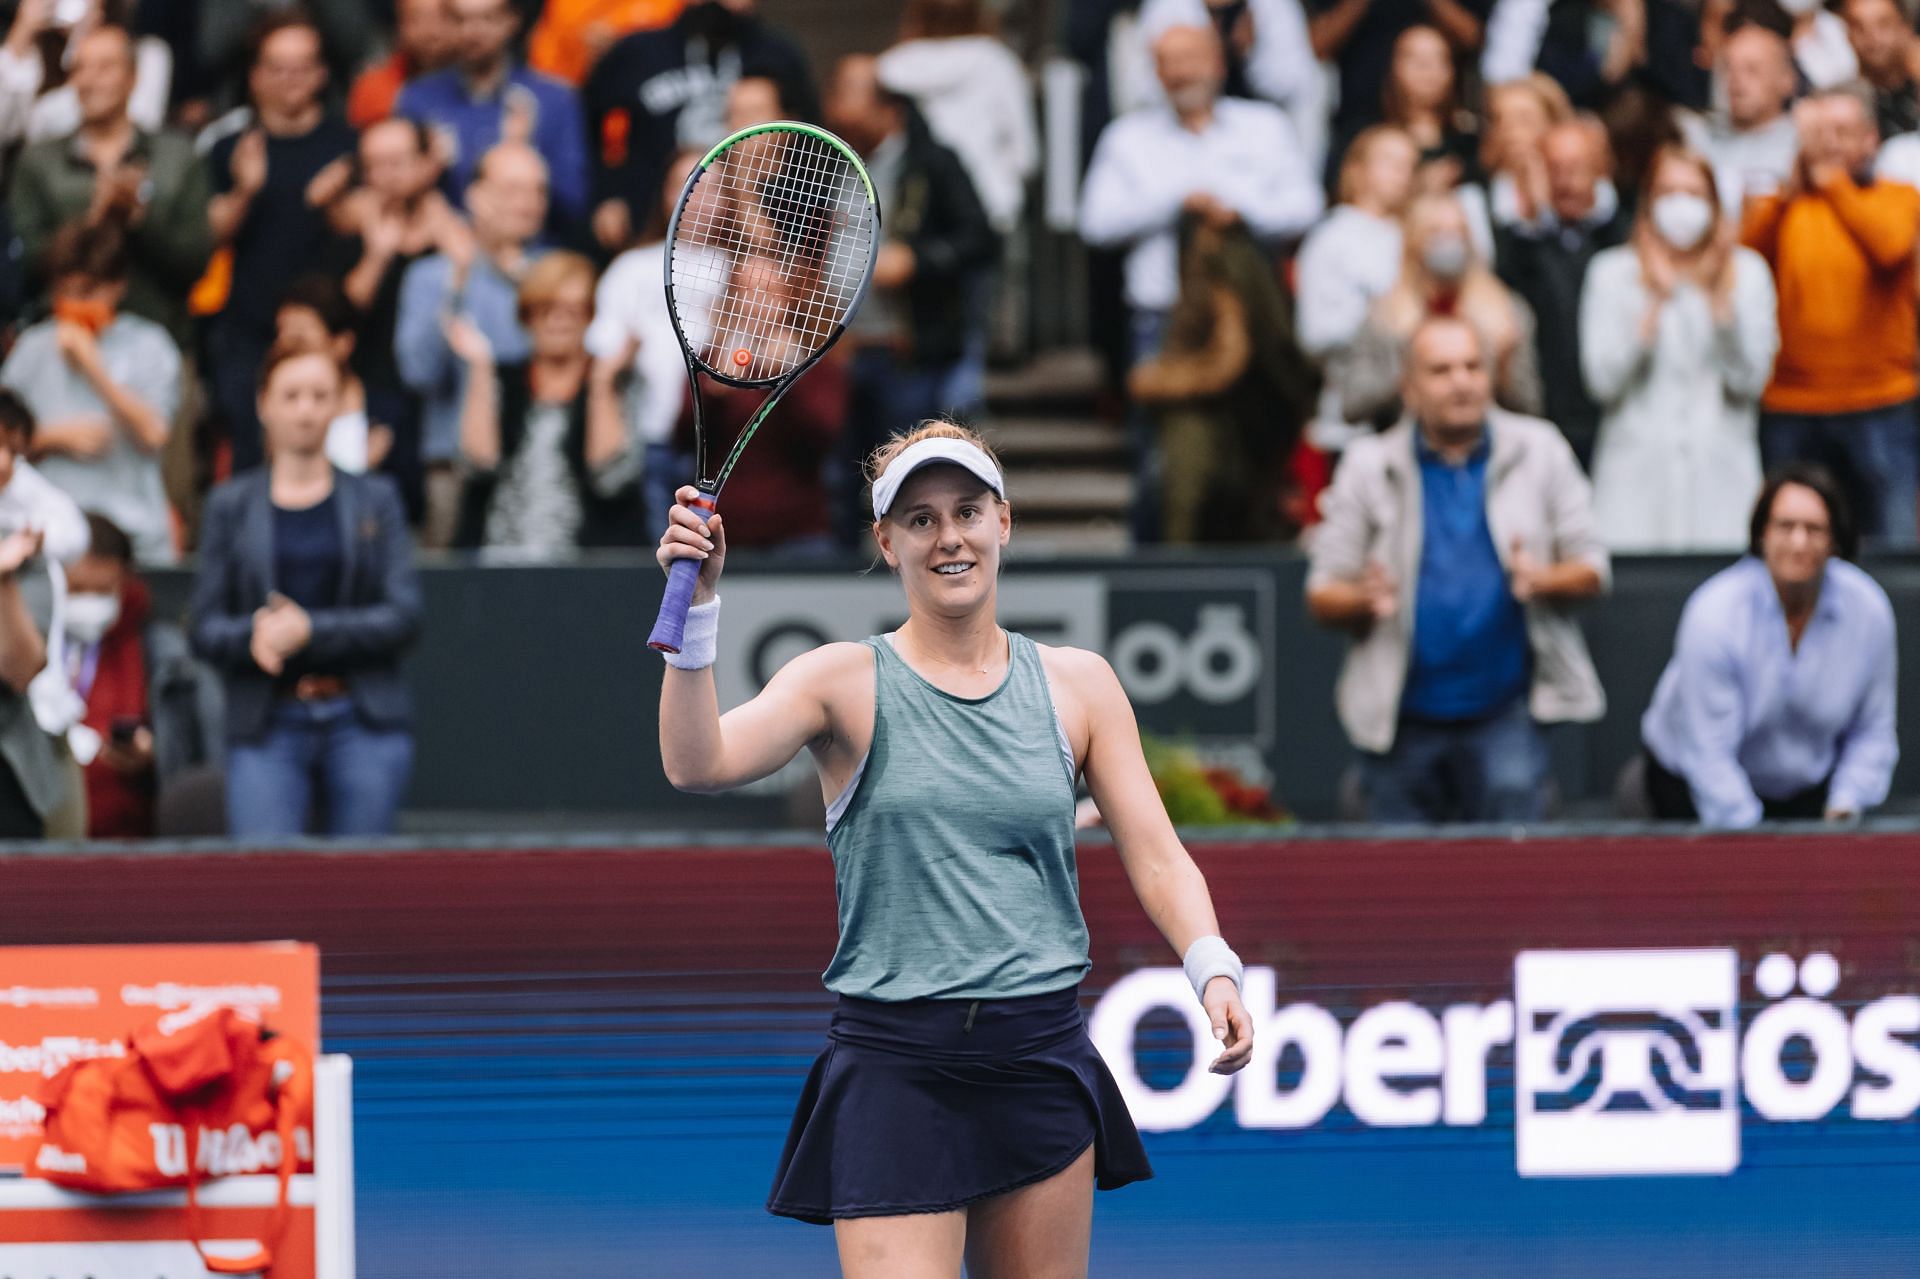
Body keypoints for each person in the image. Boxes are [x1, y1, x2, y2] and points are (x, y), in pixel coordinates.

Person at [654, 418, 1253, 1274]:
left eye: (967, 511)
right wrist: (700, 607)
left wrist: (1213, 967)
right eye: (922, 519)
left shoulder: (1080, 684)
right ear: (886, 541)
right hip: (896, 1070)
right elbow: (697, 761)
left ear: (1003, 521)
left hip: (1039, 1056)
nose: (950, 538)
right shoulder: (839, 681)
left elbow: (1156, 854)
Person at [1308, 314, 1608, 824]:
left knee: (1510, 880)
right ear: (1409, 387)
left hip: (1506, 712)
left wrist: (1542, 580)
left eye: (1473, 366)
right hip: (1399, 717)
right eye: (1442, 370)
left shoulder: (1540, 449)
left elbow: (1593, 568)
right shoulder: (1367, 463)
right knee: (1399, 887)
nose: (1462, 381)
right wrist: (1363, 600)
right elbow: (1322, 592)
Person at [189, 340, 422, 839]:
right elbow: (204, 626)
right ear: (263, 403)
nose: (306, 410)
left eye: (320, 395)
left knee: (365, 892)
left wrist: (309, 630)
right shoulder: (229, 506)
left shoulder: (376, 499)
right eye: (291, 395)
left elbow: (404, 615)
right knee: (267, 885)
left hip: (362, 718)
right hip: (266, 719)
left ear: (339, 404)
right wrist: (255, 633)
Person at [1641, 464, 1896, 827]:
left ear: (1835, 540)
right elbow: (1709, 756)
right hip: (1689, 790)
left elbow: (1873, 730)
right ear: (1761, 534)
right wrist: (1759, 850)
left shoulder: (1869, 610)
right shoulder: (1714, 613)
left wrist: (1846, 805)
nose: (1798, 543)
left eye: (1814, 529)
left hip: (1806, 798)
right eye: (1785, 526)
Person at [825, 53, 1000, 543]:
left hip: (908, 354)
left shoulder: (933, 162)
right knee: (840, 482)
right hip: (839, 351)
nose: (834, 104)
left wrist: (917, 260)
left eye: (847, 91)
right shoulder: (831, 162)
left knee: (907, 481)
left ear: (888, 105)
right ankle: (845, 583)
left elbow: (981, 241)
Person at [1743, 83, 1919, 547]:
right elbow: (1744, 262)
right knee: (1789, 545)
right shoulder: (1785, 205)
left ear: (1871, 139)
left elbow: (1890, 246)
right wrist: (1789, 189)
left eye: (1843, 132)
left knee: (1893, 543)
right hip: (1792, 405)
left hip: (1881, 401)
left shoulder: (1898, 198)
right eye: (1820, 134)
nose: (1831, 145)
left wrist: (1833, 182)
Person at [1582, 145, 1776, 549]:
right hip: (1635, 483)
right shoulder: (1611, 272)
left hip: (1721, 479)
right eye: (1668, 193)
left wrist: (1721, 306)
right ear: (1649, 204)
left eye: (1693, 193)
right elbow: (1603, 382)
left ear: (1713, 204)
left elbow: (1751, 381)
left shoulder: (1748, 272)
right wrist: (1654, 302)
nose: (1681, 206)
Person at [204, 10, 358, 473]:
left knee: (333, 453)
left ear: (321, 74)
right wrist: (245, 190)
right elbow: (206, 238)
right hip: (249, 330)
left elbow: (367, 232)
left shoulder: (348, 146)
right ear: (255, 76)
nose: (290, 78)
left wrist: (336, 206)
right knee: (250, 454)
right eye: (277, 67)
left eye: (302, 66)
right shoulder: (228, 147)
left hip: (330, 331)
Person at [8, 23, 211, 347]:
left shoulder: (176, 157)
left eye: (104, 67)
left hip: (158, 340)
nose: (88, 80)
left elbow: (196, 262)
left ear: (132, 77)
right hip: (59, 338)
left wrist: (140, 219)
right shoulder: (39, 160)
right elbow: (22, 262)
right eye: (78, 68)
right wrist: (92, 220)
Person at [394, 141, 550, 547]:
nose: (530, 202)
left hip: (535, 464)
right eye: (515, 189)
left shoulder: (552, 274)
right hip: (454, 470)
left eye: (538, 190)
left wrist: (520, 280)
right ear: (476, 196)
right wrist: (460, 281)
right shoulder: (433, 276)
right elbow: (419, 372)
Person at [0, 220, 178, 566]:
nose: (71, 304)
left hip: (135, 539)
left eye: (85, 292)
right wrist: (50, 438)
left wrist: (95, 369)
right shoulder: (32, 348)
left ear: (117, 287)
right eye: (63, 293)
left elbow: (156, 434)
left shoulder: (151, 345)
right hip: (49, 538)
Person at [446, 251, 644, 556]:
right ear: (526, 316)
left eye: (573, 309)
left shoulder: (616, 379)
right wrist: (480, 369)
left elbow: (610, 478)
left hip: (591, 567)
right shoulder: (501, 378)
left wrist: (601, 384)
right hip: (500, 560)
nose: (558, 320)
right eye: (545, 309)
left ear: (590, 315)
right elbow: (477, 465)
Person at [584, 0, 815, 253]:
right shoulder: (637, 51)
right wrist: (607, 193)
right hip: (650, 225)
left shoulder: (778, 54)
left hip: (755, 229)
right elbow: (587, 123)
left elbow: (812, 146)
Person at [339, 116, 465, 519]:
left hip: (437, 399)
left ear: (426, 164)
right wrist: (377, 256)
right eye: (374, 164)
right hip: (373, 392)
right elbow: (339, 316)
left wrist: (449, 243)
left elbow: (473, 281)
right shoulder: (350, 224)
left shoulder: (447, 224)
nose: (385, 175)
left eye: (396, 162)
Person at [1495, 116, 1633, 465]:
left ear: (1601, 171)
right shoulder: (1519, 242)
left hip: (1613, 419)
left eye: (1578, 168)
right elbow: (1506, 286)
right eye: (1554, 169)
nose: (1566, 181)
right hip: (1542, 414)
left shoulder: (1626, 236)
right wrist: (1532, 216)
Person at [1339, 190, 1542, 425]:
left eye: (1458, 231)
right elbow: (1352, 406)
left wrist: (1504, 368)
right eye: (1436, 232)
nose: (1449, 241)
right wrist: (1409, 367)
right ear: (1414, 241)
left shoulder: (1507, 311)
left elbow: (1531, 407)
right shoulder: (1383, 316)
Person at [394, 0, 590, 238]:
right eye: (460, 20)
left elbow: (575, 202)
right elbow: (395, 199)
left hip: (536, 251)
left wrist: (523, 152)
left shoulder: (554, 99)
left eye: (486, 19)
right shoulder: (418, 99)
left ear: (511, 21)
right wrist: (429, 171)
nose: (472, 31)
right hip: (443, 249)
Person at [587, 148, 699, 538]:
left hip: (721, 449)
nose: (699, 197)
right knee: (662, 565)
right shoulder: (631, 268)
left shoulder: (745, 269)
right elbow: (604, 354)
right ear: (666, 194)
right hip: (649, 442)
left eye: (716, 187)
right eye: (687, 185)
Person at [1295, 124, 1420, 451]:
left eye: (1409, 164)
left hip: (1416, 418)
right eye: (1390, 162)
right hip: (1355, 419)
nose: (1402, 173)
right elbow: (1316, 333)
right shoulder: (1332, 237)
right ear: (1357, 169)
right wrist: (1386, 320)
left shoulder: (1416, 232)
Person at [876, 0, 1039, 240]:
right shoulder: (997, 63)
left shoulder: (890, 68)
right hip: (989, 210)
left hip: (907, 216)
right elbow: (1026, 156)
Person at [276, 275, 393, 477]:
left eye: (299, 337)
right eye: (280, 333)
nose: (286, 346)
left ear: (342, 343)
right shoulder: (264, 404)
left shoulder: (387, 415)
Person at [1679, 22, 1801, 210]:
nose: (1736, 80)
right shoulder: (1695, 140)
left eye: (1752, 70)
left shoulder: (1802, 147)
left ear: (1786, 80)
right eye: (1728, 68)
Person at [1381, 23, 1480, 190]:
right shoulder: (1372, 138)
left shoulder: (1472, 141)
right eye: (1415, 59)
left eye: (1439, 59)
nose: (1427, 68)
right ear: (1393, 68)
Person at [348, 0, 457, 128]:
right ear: (400, 26)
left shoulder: (479, 85)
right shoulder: (373, 88)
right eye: (417, 19)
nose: (430, 32)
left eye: (442, 18)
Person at [1842, 0, 1918, 142]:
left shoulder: (1915, 85)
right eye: (1859, 27)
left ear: (1906, 28)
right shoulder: (1843, 103)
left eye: (1883, 25)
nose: (1872, 37)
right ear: (1847, 35)